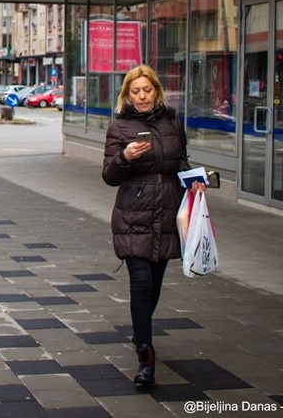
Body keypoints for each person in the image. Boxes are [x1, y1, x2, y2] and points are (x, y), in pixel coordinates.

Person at [101, 65, 204, 391]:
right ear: (127, 95)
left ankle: (140, 327)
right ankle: (146, 355)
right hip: (133, 215)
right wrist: (126, 157)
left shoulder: (172, 122)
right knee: (140, 282)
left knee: (154, 285)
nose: (142, 96)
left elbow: (181, 162)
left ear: (156, 91)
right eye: (136, 92)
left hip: (167, 212)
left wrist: (196, 182)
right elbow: (109, 175)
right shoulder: (120, 126)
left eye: (147, 90)